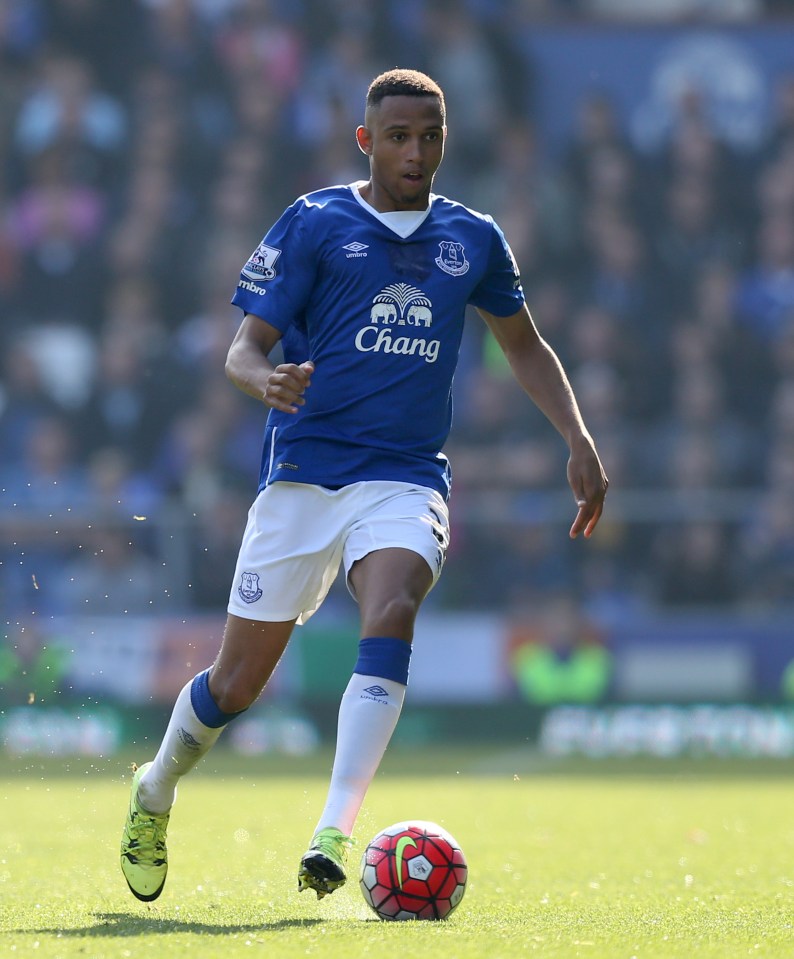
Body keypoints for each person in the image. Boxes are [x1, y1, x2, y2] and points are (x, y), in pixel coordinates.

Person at [120, 68, 608, 904]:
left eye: (430, 136)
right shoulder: (316, 223)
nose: (415, 152)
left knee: (392, 608)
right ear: (366, 141)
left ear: (446, 141)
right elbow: (244, 345)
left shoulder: (474, 238)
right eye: (398, 137)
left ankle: (334, 830)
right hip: (305, 475)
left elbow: (523, 345)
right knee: (235, 686)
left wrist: (577, 434)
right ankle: (156, 787)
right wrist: (261, 380)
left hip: (405, 476)